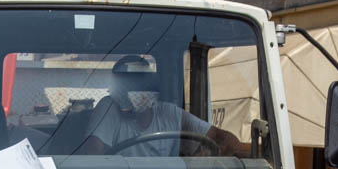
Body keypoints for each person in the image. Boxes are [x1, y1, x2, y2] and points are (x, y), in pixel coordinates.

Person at [78, 55, 244, 157]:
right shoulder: (109, 107)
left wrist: (202, 160)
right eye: (123, 85)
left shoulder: (169, 113)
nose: (129, 91)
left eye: (138, 83)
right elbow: (93, 153)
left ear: (150, 86)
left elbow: (225, 140)